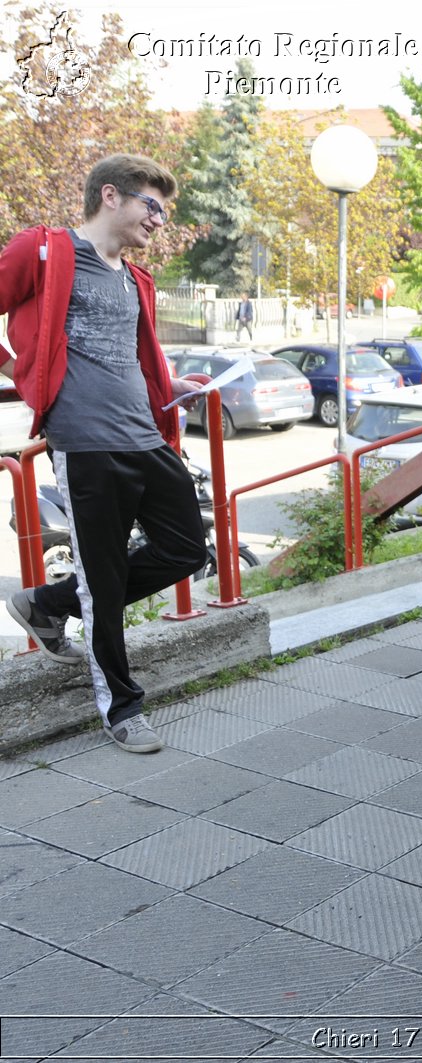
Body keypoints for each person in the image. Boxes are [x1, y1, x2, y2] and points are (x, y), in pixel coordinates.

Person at [0, 153, 209, 754]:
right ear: (111, 196)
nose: (161, 220)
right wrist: (27, 373)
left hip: (147, 437)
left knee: (185, 550)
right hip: (87, 445)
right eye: (153, 205)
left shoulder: (134, 277)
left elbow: (135, 361)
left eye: (165, 210)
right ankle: (122, 709)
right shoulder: (42, 251)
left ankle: (47, 602)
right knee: (105, 577)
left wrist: (173, 393)